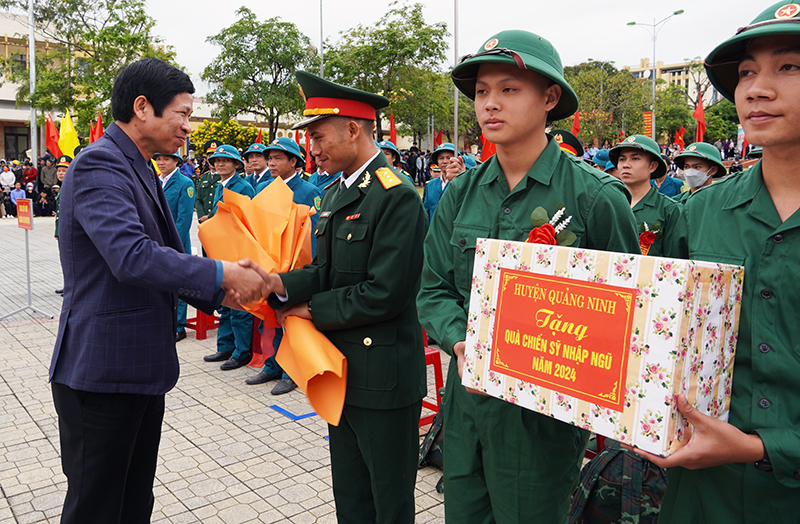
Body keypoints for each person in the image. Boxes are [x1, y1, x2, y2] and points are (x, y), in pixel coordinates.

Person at [416, 30, 640, 523]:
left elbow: (627, 317)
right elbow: (432, 290)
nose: (490, 104)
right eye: (481, 92)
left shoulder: (595, 198)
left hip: (544, 420)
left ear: (550, 98)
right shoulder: (459, 193)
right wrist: (459, 341)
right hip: (468, 406)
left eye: (509, 89)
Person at [49, 57, 268, 524]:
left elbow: (165, 255)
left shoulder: (142, 167)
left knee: (133, 504)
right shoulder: (99, 164)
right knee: (96, 508)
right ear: (142, 107)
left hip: (138, 369)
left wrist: (219, 294)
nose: (189, 127)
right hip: (101, 373)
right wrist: (223, 274)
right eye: (183, 114)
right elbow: (131, 256)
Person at [631, 4, 800, 523]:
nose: (756, 89)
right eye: (747, 71)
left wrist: (757, 446)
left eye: (789, 67)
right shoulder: (702, 211)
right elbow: (660, 332)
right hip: (705, 492)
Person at [250, 70, 428, 524]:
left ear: (354, 129)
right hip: (340, 370)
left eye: (319, 135)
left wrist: (309, 310)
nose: (313, 147)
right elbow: (322, 270)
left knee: (388, 502)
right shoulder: (336, 194)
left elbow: (385, 293)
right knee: (350, 496)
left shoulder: (396, 197)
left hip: (383, 378)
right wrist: (276, 286)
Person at [246, 137, 323, 394]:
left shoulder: (309, 191)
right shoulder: (263, 188)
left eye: (278, 158)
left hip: (297, 269)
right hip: (270, 265)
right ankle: (272, 365)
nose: (272, 163)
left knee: (292, 320)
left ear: (294, 161)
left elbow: (313, 235)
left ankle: (292, 371)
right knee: (269, 317)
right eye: (270, 158)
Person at [201, 144, 257, 371]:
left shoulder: (242, 187)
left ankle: (241, 351)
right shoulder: (219, 186)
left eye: (226, 160)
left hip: (237, 252)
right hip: (220, 251)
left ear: (236, 164)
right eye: (217, 160)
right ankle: (225, 346)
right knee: (223, 302)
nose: (220, 164)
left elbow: (245, 221)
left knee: (239, 305)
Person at [609, 135, 688, 258]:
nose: (626, 165)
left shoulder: (670, 210)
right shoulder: (607, 203)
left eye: (635, 159)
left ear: (653, 166)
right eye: (622, 159)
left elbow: (675, 262)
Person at [155, 151, 196, 342]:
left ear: (176, 162)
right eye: (158, 159)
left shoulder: (185, 183)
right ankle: (164, 322)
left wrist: (172, 243)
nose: (161, 162)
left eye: (166, 159)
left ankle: (179, 326)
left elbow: (184, 219)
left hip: (175, 243)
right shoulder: (155, 181)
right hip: (156, 242)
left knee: (178, 285)